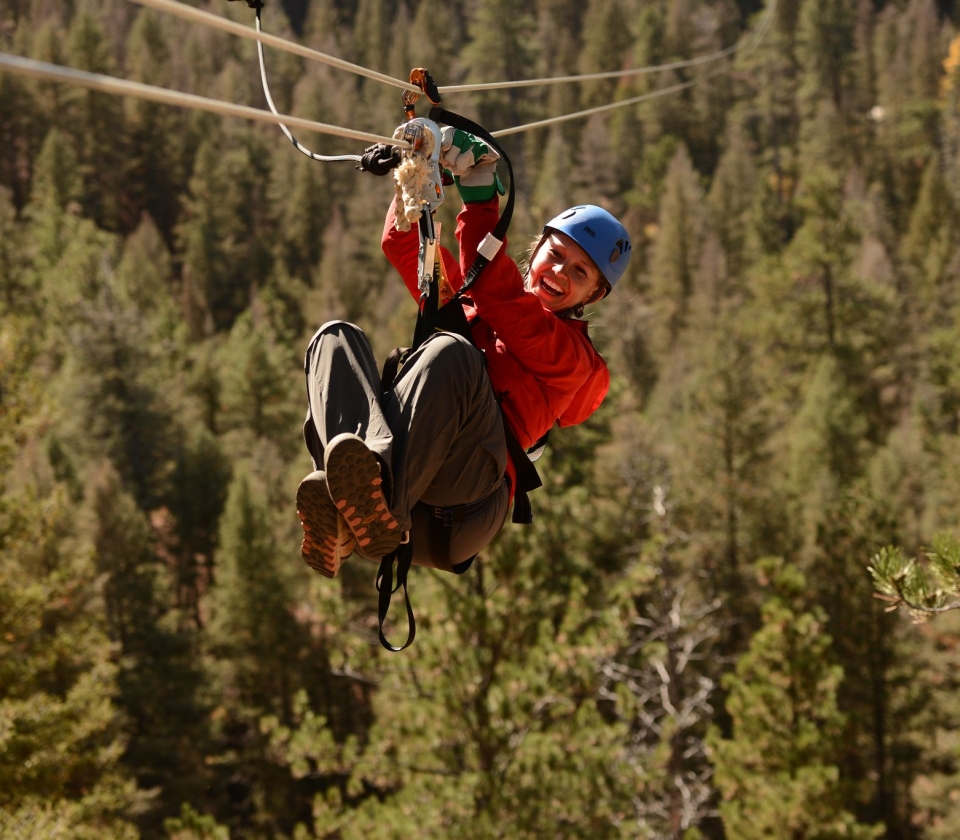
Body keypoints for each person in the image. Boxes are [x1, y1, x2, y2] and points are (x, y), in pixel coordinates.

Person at [296, 128, 632, 579]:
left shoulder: (573, 360)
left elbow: (502, 300)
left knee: (452, 352)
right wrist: (417, 177)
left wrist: (479, 198)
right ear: (536, 252)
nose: (558, 271)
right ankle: (348, 510)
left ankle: (374, 498)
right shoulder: (471, 303)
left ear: (594, 293)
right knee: (335, 339)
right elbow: (403, 244)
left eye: (579, 270)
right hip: (417, 484)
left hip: (465, 505)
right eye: (555, 254)